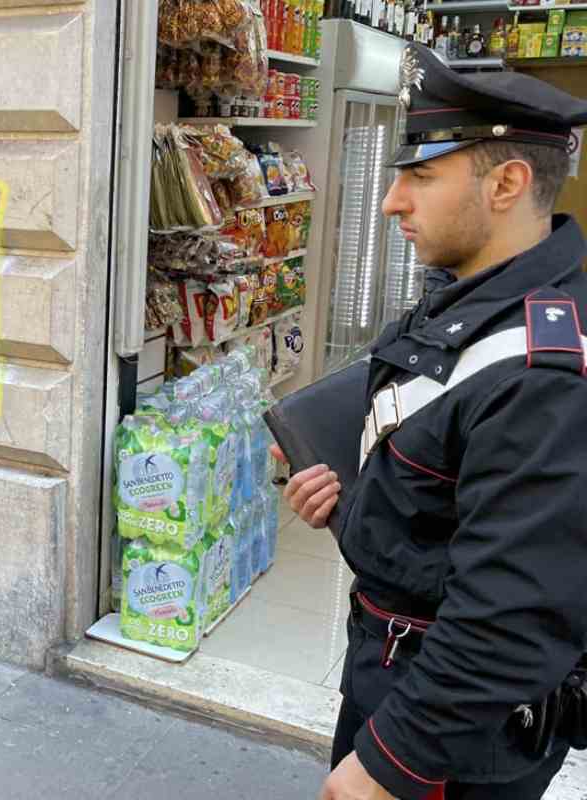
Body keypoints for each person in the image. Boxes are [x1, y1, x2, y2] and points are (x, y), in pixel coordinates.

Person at [272, 45, 587, 800]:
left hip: (453, 736)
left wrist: (391, 763)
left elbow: (512, 615)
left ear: (507, 182)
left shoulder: (546, 373)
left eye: (420, 175)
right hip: (391, 667)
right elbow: (438, 483)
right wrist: (348, 505)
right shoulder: (467, 294)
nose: (391, 201)